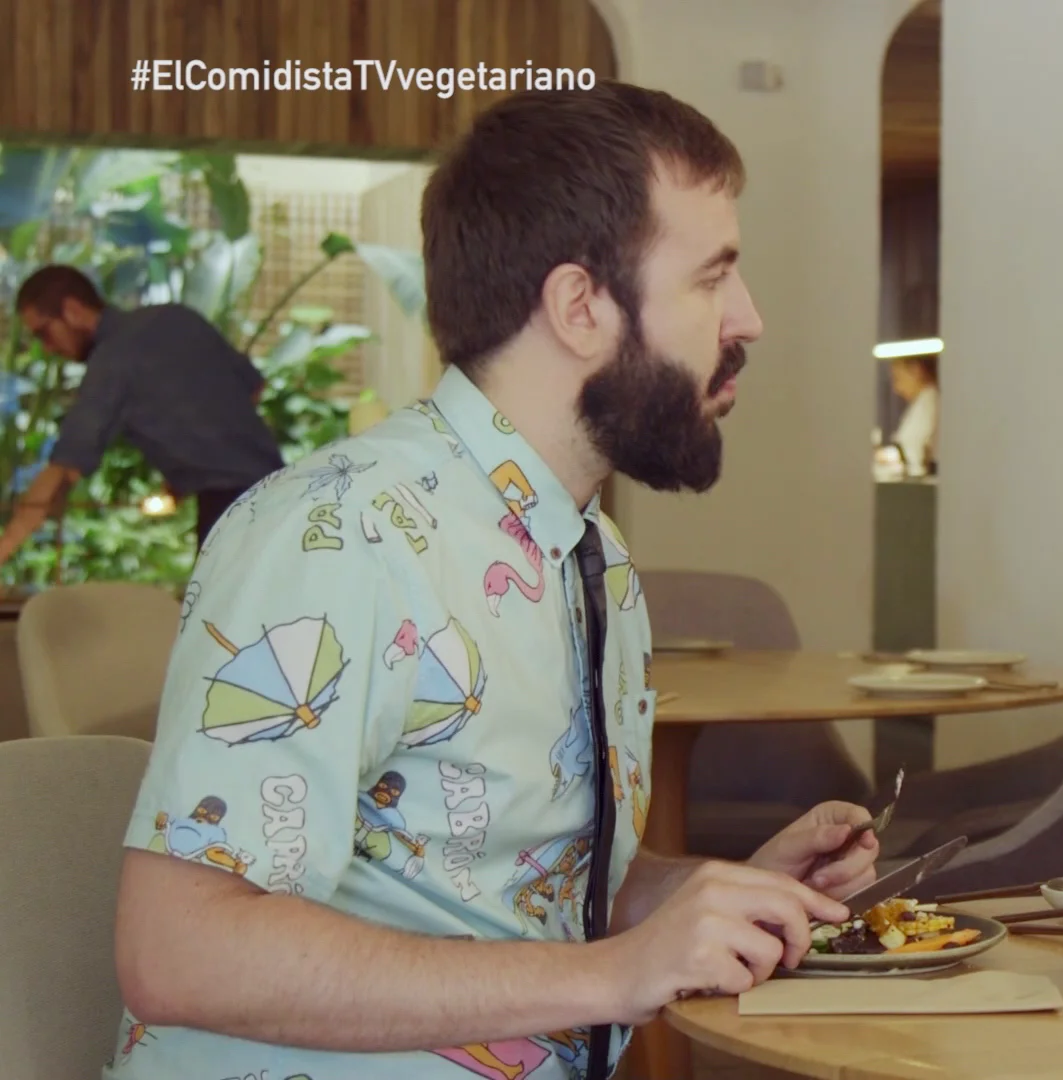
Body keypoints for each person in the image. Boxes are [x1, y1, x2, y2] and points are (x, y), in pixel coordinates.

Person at [104, 83, 879, 1080]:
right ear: (580, 307)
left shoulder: (590, 557)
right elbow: (176, 952)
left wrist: (713, 896)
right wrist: (612, 974)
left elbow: (509, 882)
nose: (749, 318)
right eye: (711, 278)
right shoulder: (339, 535)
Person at [0, 266, 284, 557]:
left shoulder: (111, 362)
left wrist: (7, 546)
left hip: (230, 508)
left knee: (220, 601)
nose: (46, 348)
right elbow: (253, 387)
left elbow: (65, 466)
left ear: (72, 310)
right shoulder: (177, 317)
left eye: (44, 333)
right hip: (283, 495)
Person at [887, 355, 938, 476]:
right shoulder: (921, 402)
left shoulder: (930, 402)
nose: (896, 389)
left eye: (897, 378)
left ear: (916, 370)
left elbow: (914, 451)